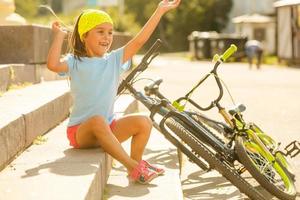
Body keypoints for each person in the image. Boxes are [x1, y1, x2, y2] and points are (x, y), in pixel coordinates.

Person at [47, 0, 181, 184]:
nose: (107, 37)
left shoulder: (115, 60)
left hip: (108, 129)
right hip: (81, 133)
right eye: (100, 31)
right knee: (97, 121)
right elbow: (52, 65)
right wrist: (59, 36)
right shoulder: (75, 62)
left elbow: (140, 40)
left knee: (144, 122)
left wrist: (159, 11)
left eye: (110, 32)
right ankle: (133, 167)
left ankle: (137, 162)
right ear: (84, 35)